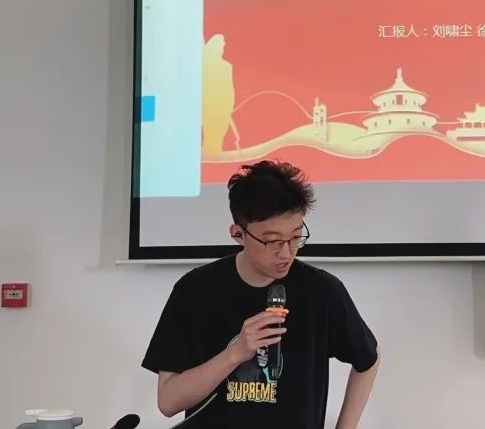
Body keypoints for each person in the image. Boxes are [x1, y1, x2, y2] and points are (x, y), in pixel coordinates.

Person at [142, 160, 380, 428]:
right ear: (238, 234)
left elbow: (368, 358)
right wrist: (235, 353)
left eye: (295, 237)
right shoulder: (195, 290)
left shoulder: (322, 291)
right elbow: (168, 402)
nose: (286, 253)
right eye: (273, 241)